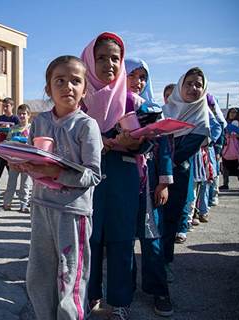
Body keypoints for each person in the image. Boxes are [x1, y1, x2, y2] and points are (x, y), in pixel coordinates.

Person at [20, 55, 102, 320]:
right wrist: (22, 163)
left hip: (72, 212)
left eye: (75, 81)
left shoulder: (86, 125)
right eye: (60, 80)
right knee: (39, 273)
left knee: (70, 275)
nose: (68, 86)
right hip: (42, 206)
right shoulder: (40, 122)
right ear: (48, 89)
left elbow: (93, 175)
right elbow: (34, 158)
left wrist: (59, 172)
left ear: (84, 90)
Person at [82, 32, 147, 320]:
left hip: (123, 176)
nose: (109, 64)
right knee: (89, 240)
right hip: (88, 181)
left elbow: (148, 139)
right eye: (101, 58)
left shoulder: (133, 101)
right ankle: (89, 296)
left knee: (121, 240)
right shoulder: (80, 98)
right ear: (88, 60)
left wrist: (136, 143)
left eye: (115, 58)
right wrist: (100, 143)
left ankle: (120, 302)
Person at [125, 58, 174, 317]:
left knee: (151, 237)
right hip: (121, 182)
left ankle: (159, 290)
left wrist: (164, 182)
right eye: (132, 75)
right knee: (122, 241)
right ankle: (125, 289)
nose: (138, 81)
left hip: (149, 184)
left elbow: (164, 146)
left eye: (143, 76)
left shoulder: (154, 109)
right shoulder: (114, 106)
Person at [161, 67, 211, 281]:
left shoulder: (201, 120)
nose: (193, 88)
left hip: (177, 176)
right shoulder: (164, 110)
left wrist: (162, 165)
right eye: (189, 83)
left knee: (170, 219)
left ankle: (164, 263)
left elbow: (181, 153)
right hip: (152, 174)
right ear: (180, 86)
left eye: (199, 85)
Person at [2, 104, 33, 213]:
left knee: (25, 184)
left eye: (24, 114)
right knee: (11, 183)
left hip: (27, 161)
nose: (21, 116)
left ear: (28, 115)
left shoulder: (32, 128)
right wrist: (9, 159)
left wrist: (24, 140)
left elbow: (35, 144)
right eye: (19, 114)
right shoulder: (13, 129)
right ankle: (7, 203)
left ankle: (23, 204)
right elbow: (8, 144)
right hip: (14, 160)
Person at [0, 97, 20, 185]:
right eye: (3, 106)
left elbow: (19, 133)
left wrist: (10, 130)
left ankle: (12, 192)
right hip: (1, 149)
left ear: (12, 106)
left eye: (7, 106)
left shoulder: (16, 119)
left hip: (11, 151)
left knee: (12, 174)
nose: (4, 108)